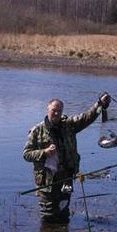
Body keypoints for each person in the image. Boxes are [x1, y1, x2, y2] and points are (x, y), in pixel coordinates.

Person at [23, 93, 111, 224]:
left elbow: (87, 117)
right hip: (46, 181)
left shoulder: (69, 125)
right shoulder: (37, 131)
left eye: (59, 111)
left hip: (67, 177)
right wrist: (44, 152)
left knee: (64, 207)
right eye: (54, 110)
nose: (57, 114)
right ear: (48, 110)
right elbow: (26, 154)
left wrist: (99, 104)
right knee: (47, 213)